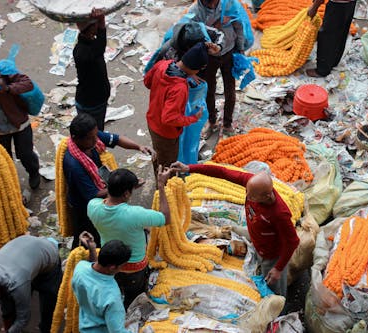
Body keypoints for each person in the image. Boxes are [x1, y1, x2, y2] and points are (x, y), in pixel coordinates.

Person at [171, 161, 299, 298]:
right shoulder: (251, 184)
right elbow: (222, 172)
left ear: (266, 196)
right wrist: (189, 167)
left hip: (271, 254)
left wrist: (278, 269)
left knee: (273, 286)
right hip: (256, 237)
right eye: (247, 193)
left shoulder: (279, 214)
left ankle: (278, 310)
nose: (248, 197)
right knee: (234, 232)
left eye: (252, 196)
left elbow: (293, 242)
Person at [64, 113, 154, 249]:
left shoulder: (92, 137)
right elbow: (93, 194)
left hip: (100, 185)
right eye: (91, 138)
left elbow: (116, 139)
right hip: (85, 205)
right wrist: (125, 185)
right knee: (88, 235)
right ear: (76, 139)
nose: (96, 140)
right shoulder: (74, 165)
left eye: (96, 135)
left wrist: (139, 147)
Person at [88, 166, 172, 308]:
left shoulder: (92, 207)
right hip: (133, 268)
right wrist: (161, 186)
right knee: (133, 298)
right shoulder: (135, 214)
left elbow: (104, 199)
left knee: (116, 290)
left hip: (109, 264)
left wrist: (125, 188)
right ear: (126, 193)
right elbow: (165, 218)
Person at [144, 42, 207, 176]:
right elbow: (169, 118)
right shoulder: (179, 88)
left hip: (152, 120)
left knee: (159, 156)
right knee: (168, 167)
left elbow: (147, 82)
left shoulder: (163, 64)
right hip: (166, 133)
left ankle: (158, 176)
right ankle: (164, 191)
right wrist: (192, 118)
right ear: (197, 69)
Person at [189, 0, 247, 137]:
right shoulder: (194, 12)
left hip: (229, 51)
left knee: (230, 89)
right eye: (207, 3)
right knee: (209, 90)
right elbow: (193, 36)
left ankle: (227, 123)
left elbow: (238, 26)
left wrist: (241, 48)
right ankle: (212, 121)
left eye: (214, 2)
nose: (212, 6)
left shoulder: (229, 5)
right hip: (208, 57)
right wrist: (213, 25)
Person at [0, 236, 62, 333]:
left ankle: (45, 329)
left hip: (49, 258)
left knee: (48, 307)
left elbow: (23, 318)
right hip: (26, 254)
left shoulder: (17, 284)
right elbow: (4, 302)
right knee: (9, 302)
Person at [72, 236, 132, 333]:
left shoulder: (80, 268)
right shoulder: (112, 296)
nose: (122, 268)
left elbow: (93, 266)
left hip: (84, 325)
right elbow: (117, 331)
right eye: (122, 265)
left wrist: (92, 249)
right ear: (112, 267)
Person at [0, 72, 41, 189]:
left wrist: (8, 88)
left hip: (19, 123)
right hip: (0, 131)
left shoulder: (4, 71)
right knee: (5, 160)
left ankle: (34, 172)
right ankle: (9, 182)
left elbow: (28, 84)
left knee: (26, 154)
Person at [73, 8, 110, 131]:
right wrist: (102, 21)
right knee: (94, 135)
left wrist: (100, 21)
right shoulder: (85, 53)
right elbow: (100, 46)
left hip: (89, 100)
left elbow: (100, 45)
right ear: (90, 28)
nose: (98, 26)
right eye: (95, 24)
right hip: (92, 103)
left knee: (89, 133)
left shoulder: (84, 46)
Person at [306, 0, 357, 78]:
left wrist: (314, 7)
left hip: (337, 4)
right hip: (350, 3)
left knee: (327, 36)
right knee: (341, 32)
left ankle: (322, 70)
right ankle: (334, 62)